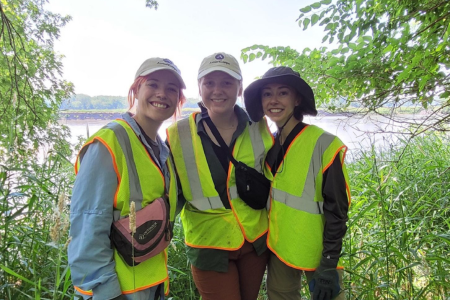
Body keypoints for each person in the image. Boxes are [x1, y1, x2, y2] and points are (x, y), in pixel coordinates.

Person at [68, 57, 186, 300]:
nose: (162, 94)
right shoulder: (109, 143)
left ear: (178, 100)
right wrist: (106, 292)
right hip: (117, 292)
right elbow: (87, 226)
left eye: (171, 89)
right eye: (153, 84)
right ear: (136, 90)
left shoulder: (162, 150)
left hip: (152, 286)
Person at [166, 52, 273, 300]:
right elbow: (169, 193)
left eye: (227, 83)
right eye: (209, 83)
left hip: (254, 241)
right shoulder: (177, 134)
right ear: (199, 87)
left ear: (239, 88)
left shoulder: (259, 126)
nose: (218, 90)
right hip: (209, 245)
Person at [244, 66, 350, 300]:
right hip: (280, 251)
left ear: (297, 99)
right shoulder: (268, 144)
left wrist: (330, 263)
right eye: (266, 94)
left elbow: (338, 210)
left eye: (283, 93)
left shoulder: (324, 144)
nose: (274, 100)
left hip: (319, 256)